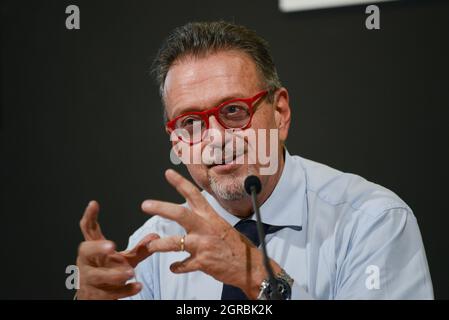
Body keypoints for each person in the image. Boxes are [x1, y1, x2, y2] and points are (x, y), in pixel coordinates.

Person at [75, 21, 433, 300]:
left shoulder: (372, 222)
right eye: (190, 122)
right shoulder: (154, 248)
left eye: (233, 111)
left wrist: (259, 281)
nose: (215, 138)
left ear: (279, 113)